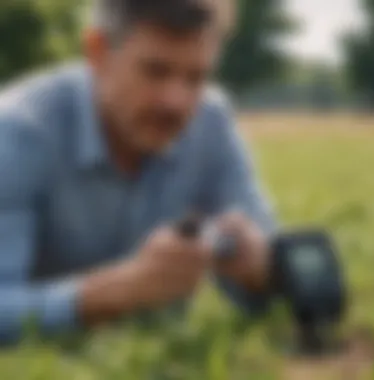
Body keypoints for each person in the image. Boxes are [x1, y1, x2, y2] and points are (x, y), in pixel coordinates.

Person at [0, 0, 276, 344]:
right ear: (97, 52)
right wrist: (120, 290)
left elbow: (280, 269)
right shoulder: (17, 133)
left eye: (196, 77)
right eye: (155, 71)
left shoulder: (211, 122)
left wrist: (261, 270)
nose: (175, 102)